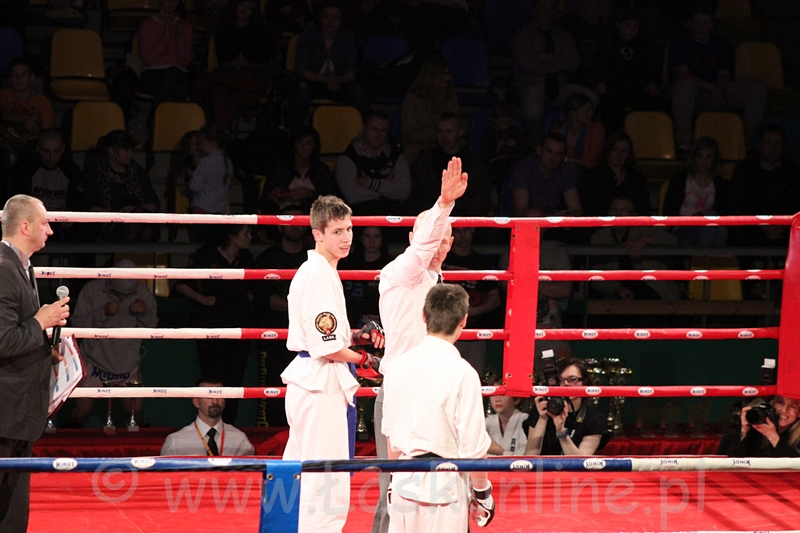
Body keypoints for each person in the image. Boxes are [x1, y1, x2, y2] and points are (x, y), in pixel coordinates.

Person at [372, 156, 468, 533]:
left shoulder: (436, 283)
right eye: (431, 238)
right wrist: (443, 204)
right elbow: (424, 246)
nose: (438, 246)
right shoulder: (403, 272)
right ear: (413, 239)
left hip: (437, 395)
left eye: (445, 240)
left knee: (449, 483)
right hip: (402, 395)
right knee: (396, 490)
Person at [280, 195, 384, 533]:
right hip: (320, 384)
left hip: (312, 382)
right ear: (317, 234)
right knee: (325, 481)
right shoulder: (319, 275)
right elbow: (326, 346)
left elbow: (326, 336)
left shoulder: (319, 272)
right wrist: (366, 359)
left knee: (301, 472)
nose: (346, 237)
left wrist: (356, 337)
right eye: (337, 231)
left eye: (349, 229)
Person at [382, 283, 494, 532]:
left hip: (403, 481)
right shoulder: (464, 373)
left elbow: (392, 437)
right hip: (446, 487)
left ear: (423, 316)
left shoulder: (397, 367)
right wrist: (483, 493)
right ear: (463, 321)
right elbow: (474, 447)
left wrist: (392, 480)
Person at [0, 194, 70, 531]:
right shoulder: (3, 269)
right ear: (25, 226)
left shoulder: (21, 266)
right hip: (5, 412)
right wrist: (41, 322)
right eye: (45, 223)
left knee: (13, 513)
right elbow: (2, 340)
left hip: (17, 412)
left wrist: (45, 350)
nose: (50, 230)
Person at [174, 225, 256, 424]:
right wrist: (202, 299)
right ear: (231, 235)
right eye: (245, 233)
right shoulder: (206, 255)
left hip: (238, 328)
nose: (250, 237)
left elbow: (253, 287)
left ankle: (228, 427)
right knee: (212, 378)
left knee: (234, 381)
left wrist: (248, 300)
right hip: (212, 327)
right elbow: (180, 283)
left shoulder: (246, 258)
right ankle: (209, 425)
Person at [64, 260, 158, 427]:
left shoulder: (143, 292)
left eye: (128, 294)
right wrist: (103, 313)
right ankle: (64, 443)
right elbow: (77, 324)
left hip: (128, 362)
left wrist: (144, 313)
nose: (123, 297)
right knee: (79, 414)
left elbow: (152, 329)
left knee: (136, 417)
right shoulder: (92, 290)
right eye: (119, 293)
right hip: (94, 362)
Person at [668, 4, 767, 152]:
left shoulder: (720, 43)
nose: (701, 28)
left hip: (716, 91)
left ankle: (748, 144)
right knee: (684, 86)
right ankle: (684, 144)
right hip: (693, 94)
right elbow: (682, 73)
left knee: (756, 87)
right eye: (697, 23)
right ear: (691, 24)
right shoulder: (680, 42)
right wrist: (710, 88)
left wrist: (720, 88)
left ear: (712, 25)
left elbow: (724, 73)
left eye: (705, 23)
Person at [253, 205, 310, 427]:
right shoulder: (268, 258)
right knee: (270, 386)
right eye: (290, 221)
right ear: (279, 226)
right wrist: (300, 307)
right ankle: (270, 435)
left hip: (306, 336)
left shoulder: (313, 258)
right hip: (273, 335)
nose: (295, 226)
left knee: (306, 387)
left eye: (299, 221)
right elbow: (264, 299)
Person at [512, 0, 594, 140]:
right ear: (534, 10)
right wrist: (558, 63)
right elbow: (526, 64)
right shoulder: (523, 35)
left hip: (560, 85)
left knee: (590, 99)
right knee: (532, 113)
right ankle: (537, 146)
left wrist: (547, 57)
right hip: (532, 84)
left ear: (556, 11)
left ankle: (576, 143)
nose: (547, 11)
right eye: (543, 7)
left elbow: (573, 63)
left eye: (551, 8)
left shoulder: (563, 36)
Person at [289, 1, 366, 131]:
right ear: (320, 18)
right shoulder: (308, 36)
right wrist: (325, 79)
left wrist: (337, 80)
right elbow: (302, 70)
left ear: (341, 20)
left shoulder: (348, 37)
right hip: (314, 82)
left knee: (357, 90)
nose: (330, 21)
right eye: (326, 17)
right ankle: (295, 131)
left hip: (338, 83)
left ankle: (364, 128)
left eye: (335, 18)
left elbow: (351, 70)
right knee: (301, 92)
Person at [589, 196, 680, 303]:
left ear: (633, 214)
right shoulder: (599, 237)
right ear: (609, 212)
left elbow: (673, 241)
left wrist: (645, 240)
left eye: (624, 211)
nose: (618, 214)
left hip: (652, 291)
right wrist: (617, 289)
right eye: (614, 210)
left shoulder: (644, 229)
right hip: (616, 296)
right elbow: (596, 276)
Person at [441, 225, 502, 376]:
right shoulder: (441, 259)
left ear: (473, 230)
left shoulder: (482, 262)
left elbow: (495, 298)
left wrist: (473, 311)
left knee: (473, 380)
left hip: (475, 334)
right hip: (445, 333)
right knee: (445, 380)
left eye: (466, 230)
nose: (463, 235)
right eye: (458, 231)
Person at [591, 6, 663, 134]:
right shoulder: (608, 43)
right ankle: (612, 139)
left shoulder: (645, 45)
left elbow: (653, 67)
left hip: (639, 88)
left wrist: (653, 82)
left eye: (635, 26)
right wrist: (599, 82)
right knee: (609, 105)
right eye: (627, 25)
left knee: (655, 102)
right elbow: (597, 65)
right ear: (618, 25)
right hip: (613, 88)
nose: (631, 30)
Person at [728, 125, 800, 249]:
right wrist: (763, 225)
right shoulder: (744, 170)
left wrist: (780, 226)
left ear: (783, 146)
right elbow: (737, 203)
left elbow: (795, 205)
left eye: (777, 143)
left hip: (785, 230)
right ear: (759, 145)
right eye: (768, 143)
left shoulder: (792, 172)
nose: (772, 148)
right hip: (751, 230)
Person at [409, 113, 492, 218]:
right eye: (440, 132)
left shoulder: (473, 162)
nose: (444, 137)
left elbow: (480, 197)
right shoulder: (424, 160)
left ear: (460, 132)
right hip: (431, 219)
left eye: (449, 132)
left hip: (464, 221)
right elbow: (417, 196)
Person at [83, 130, 160, 243]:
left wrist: (133, 211)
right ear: (111, 151)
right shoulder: (95, 173)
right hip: (109, 223)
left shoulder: (137, 171)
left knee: (142, 228)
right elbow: (90, 207)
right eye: (126, 150)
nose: (130, 154)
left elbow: (153, 204)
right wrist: (118, 215)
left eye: (131, 149)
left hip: (138, 221)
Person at [523, 357, 610, 455]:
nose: (566, 384)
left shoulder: (594, 419)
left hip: (572, 466)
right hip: (543, 465)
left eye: (572, 379)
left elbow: (581, 461)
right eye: (561, 380)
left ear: (584, 382)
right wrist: (542, 419)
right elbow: (530, 455)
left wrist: (561, 432)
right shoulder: (541, 409)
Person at [335, 110, 411, 216]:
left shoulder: (396, 156)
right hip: (359, 218)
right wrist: (386, 186)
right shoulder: (347, 158)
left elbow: (403, 193)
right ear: (364, 128)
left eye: (383, 131)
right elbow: (352, 196)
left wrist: (372, 183)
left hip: (391, 217)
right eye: (374, 129)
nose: (378, 135)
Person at [13, 128, 82, 242]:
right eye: (47, 152)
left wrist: (70, 218)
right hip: (31, 226)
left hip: (64, 228)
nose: (52, 157)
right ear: (38, 149)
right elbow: (17, 204)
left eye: (56, 151)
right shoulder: (25, 169)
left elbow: (78, 203)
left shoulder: (71, 170)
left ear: (63, 149)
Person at [0, 57, 55, 198]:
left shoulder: (42, 101)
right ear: (9, 78)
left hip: (31, 147)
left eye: (23, 74)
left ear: (31, 78)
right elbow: (4, 114)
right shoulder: (3, 95)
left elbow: (46, 131)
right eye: (14, 75)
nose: (18, 79)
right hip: (5, 145)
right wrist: (22, 120)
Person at [257, 126, 340, 216]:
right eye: (300, 142)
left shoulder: (321, 170)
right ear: (294, 145)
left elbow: (333, 201)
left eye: (308, 143)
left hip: (314, 219)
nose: (304, 147)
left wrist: (310, 194)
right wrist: (272, 196)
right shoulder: (280, 169)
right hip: (283, 218)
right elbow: (263, 203)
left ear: (314, 146)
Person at [160, 378, 256, 456]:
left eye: (220, 395)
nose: (215, 401)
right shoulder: (176, 442)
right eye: (209, 396)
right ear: (196, 402)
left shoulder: (240, 440)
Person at [663, 137, 729, 246]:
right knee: (712, 221)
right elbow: (668, 211)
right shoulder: (680, 179)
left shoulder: (719, 183)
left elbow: (723, 211)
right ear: (693, 158)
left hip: (709, 227)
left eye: (709, 157)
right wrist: (690, 218)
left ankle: (706, 255)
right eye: (700, 156)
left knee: (717, 225)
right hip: (682, 228)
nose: (704, 161)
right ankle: (708, 255)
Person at [507, 133, 582, 217]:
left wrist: (567, 216)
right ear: (539, 150)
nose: (553, 158)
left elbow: (576, 209)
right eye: (549, 152)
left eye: (558, 154)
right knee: (533, 214)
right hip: (523, 223)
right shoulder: (523, 170)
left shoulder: (565, 171)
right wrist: (552, 217)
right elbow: (521, 212)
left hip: (552, 221)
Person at [400, 56, 458, 165]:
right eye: (443, 74)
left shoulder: (450, 97)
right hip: (417, 152)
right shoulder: (413, 98)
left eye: (448, 74)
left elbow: (454, 127)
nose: (447, 77)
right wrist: (436, 133)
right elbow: (408, 134)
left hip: (444, 150)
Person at [138, 0, 193, 109]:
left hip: (178, 73)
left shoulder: (185, 26)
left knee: (175, 77)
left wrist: (179, 37)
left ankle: (156, 115)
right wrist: (165, 39)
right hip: (153, 73)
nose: (171, 3)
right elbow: (147, 59)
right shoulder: (146, 25)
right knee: (175, 85)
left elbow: (185, 61)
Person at [580, 131, 650, 218]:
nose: (618, 154)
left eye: (624, 151)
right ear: (608, 150)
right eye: (615, 149)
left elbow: (643, 210)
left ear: (629, 154)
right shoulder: (591, 177)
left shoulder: (637, 179)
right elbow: (589, 209)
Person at [184, 123, 234, 242]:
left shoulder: (205, 162)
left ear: (211, 142)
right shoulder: (228, 162)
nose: (200, 146)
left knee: (198, 246)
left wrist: (192, 177)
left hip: (201, 212)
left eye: (201, 142)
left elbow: (194, 187)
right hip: (219, 213)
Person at [340, 226, 392, 328]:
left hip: (384, 322)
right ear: (361, 238)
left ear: (382, 238)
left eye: (376, 236)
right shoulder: (348, 264)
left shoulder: (391, 265)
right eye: (367, 236)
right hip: (352, 321)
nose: (372, 241)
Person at [719, 395, 800, 458]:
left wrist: (773, 436)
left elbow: (794, 466)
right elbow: (733, 460)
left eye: (792, 406)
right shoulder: (756, 426)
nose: (784, 410)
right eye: (780, 403)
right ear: (772, 404)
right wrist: (744, 431)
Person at [548, 92, 605, 170]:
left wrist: (568, 160)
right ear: (573, 113)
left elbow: (592, 161)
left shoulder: (596, 129)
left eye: (591, 110)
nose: (591, 114)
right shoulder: (558, 132)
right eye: (587, 111)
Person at [485, 377, 528, 456]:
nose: (497, 399)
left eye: (502, 394)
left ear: (516, 399)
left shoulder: (525, 420)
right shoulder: (486, 422)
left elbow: (527, 455)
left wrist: (500, 451)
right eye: (494, 394)